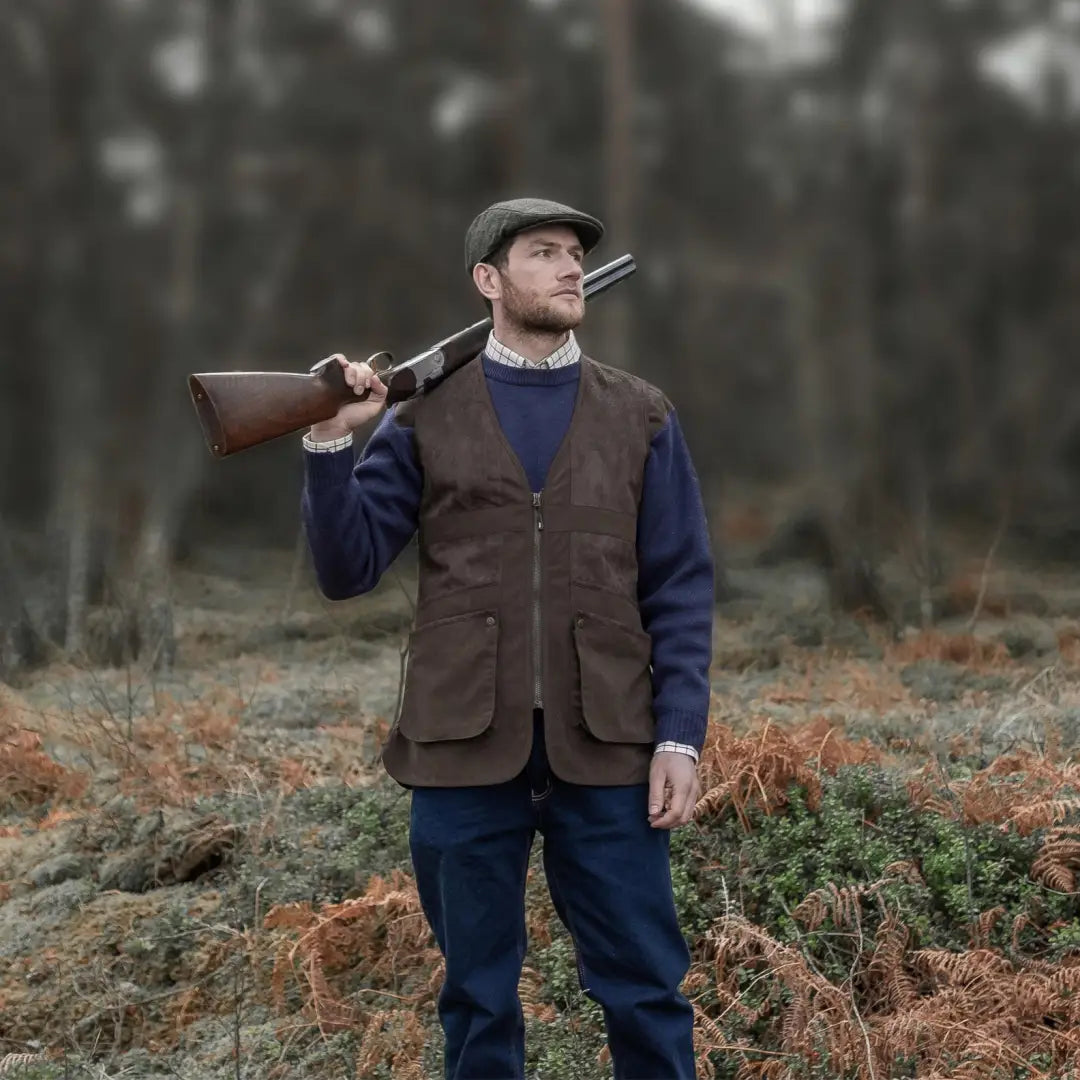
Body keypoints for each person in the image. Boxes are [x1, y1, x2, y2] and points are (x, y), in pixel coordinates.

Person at [301, 197, 714, 1080]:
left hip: (608, 748)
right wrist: (330, 441)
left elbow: (680, 586)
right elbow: (347, 568)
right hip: (459, 749)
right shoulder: (421, 416)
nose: (569, 268)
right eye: (543, 253)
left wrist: (679, 732)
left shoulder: (641, 414)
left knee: (645, 988)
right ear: (489, 280)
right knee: (478, 997)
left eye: (574, 254)